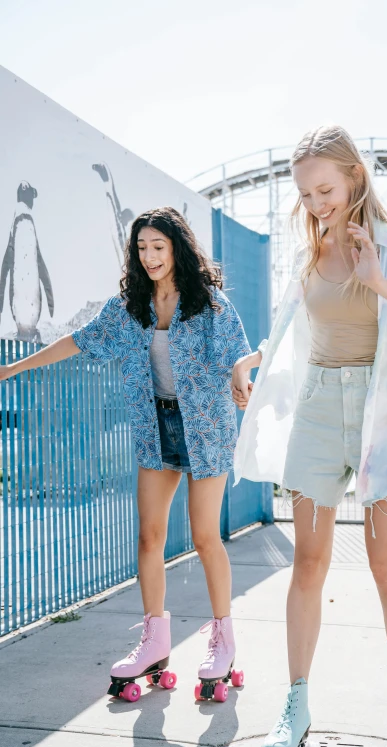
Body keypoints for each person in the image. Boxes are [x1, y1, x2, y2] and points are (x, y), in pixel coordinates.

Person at [231, 126, 387, 747]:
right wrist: (255, 358)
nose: (316, 202)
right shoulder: (309, 252)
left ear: (355, 177)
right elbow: (298, 331)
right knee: (308, 560)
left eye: (326, 189)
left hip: (381, 413)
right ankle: (295, 707)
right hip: (318, 408)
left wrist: (380, 282)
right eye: (305, 193)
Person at [0, 206, 250, 703]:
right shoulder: (129, 306)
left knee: (204, 536)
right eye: (142, 248)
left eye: (158, 246)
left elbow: (237, 354)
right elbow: (79, 340)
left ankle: (223, 636)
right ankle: (155, 638)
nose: (150, 256)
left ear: (177, 246)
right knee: (149, 536)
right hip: (154, 427)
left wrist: (243, 376)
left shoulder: (208, 304)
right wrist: (11, 371)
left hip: (206, 427)